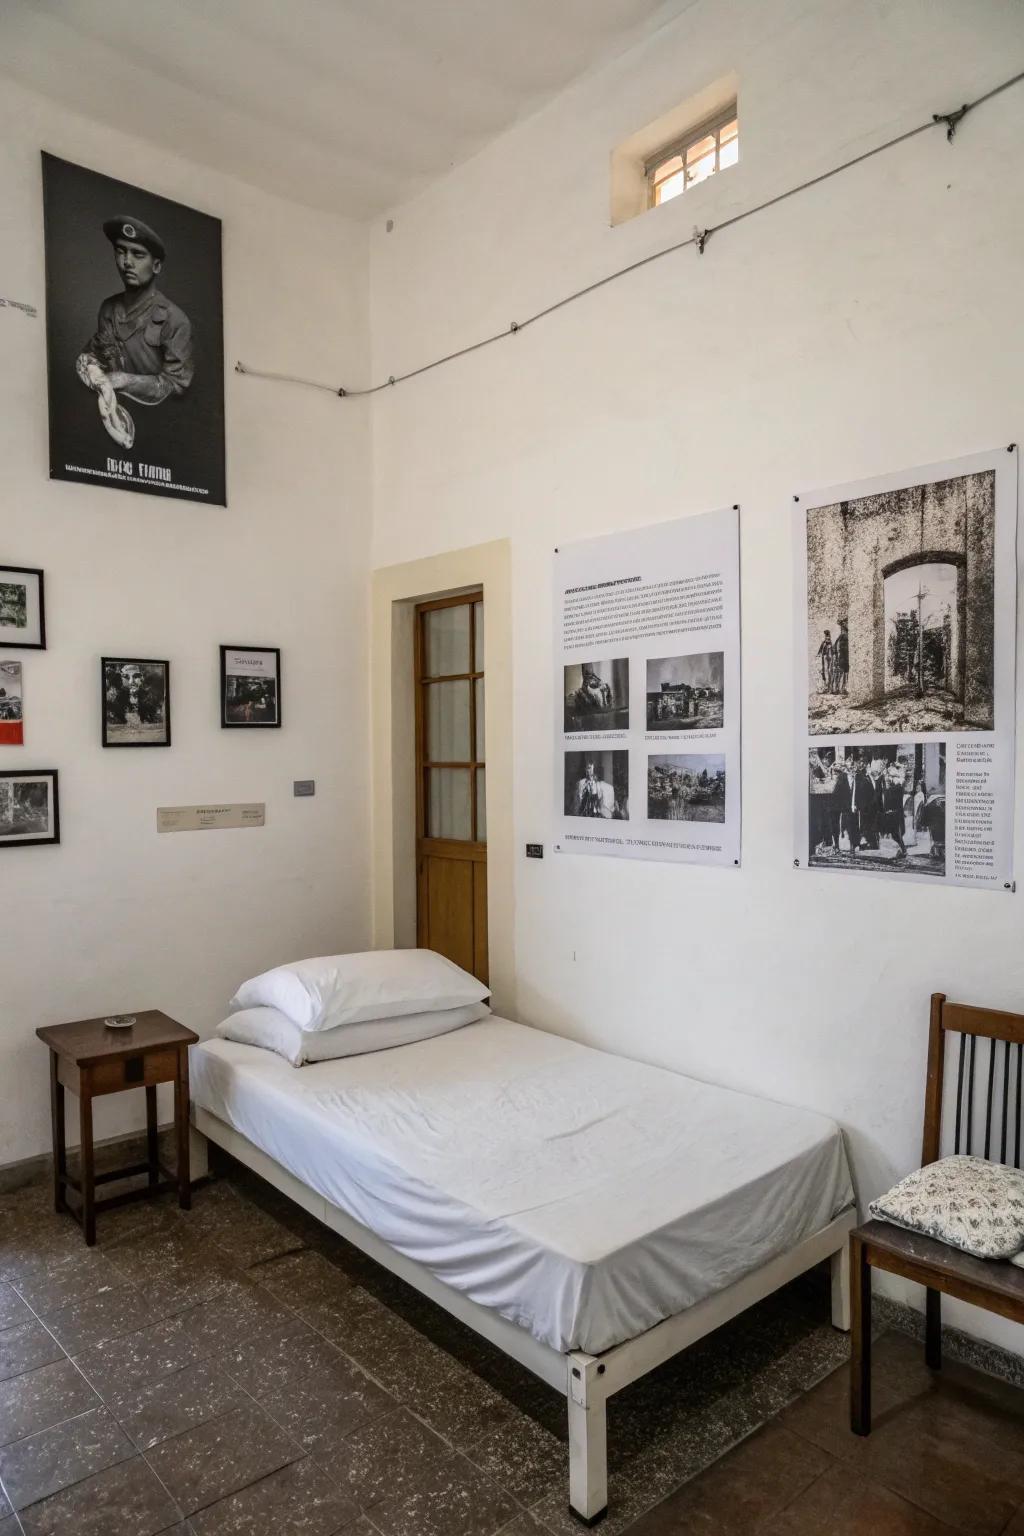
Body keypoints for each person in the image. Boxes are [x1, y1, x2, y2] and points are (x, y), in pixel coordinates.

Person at [77, 216, 194, 449]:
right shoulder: (108, 309)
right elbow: (98, 352)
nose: (127, 262)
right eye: (121, 252)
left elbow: (176, 387)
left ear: (157, 266)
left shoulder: (174, 319)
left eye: (138, 255)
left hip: (159, 433)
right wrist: (90, 367)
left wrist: (123, 380)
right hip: (112, 424)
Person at [880, 765, 908, 858]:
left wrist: (886, 787)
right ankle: (902, 850)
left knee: (896, 833)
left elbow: (890, 797)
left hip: (895, 813)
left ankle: (903, 850)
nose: (890, 779)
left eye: (892, 777)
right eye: (890, 777)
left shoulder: (897, 788)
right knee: (895, 834)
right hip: (893, 813)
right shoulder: (894, 787)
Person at [832, 620, 849, 694]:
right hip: (843, 658)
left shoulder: (841, 637)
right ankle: (838, 689)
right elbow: (836, 648)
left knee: (844, 673)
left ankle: (840, 689)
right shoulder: (843, 637)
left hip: (844, 658)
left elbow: (835, 648)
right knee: (842, 673)